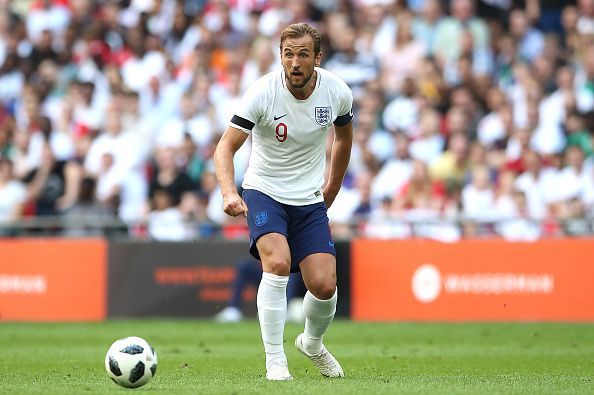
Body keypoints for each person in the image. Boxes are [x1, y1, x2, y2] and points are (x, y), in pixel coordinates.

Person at [214, 23, 353, 380]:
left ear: (317, 59)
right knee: (276, 263)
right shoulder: (262, 92)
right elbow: (225, 148)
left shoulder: (337, 92)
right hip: (264, 191)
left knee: (324, 285)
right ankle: (275, 359)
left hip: (308, 199)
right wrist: (230, 191)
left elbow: (343, 137)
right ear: (280, 56)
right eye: (288, 54)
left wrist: (332, 187)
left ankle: (312, 342)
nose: (294, 62)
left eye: (303, 54)